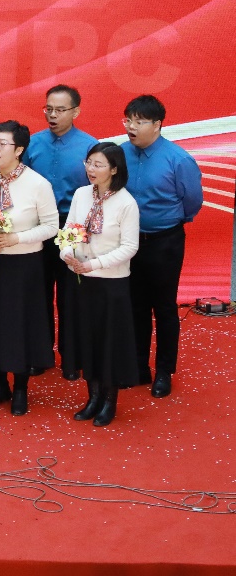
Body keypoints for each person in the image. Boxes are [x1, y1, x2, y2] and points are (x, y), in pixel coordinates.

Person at [0, 120, 59, 416]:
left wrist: (16, 238)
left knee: (17, 325)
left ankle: (20, 388)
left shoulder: (37, 184)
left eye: (2, 144)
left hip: (22, 265)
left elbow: (51, 226)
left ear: (18, 150)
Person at [122, 94, 203, 398]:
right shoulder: (120, 153)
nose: (131, 127)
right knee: (135, 305)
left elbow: (192, 201)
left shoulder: (178, 159)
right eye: (128, 120)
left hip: (164, 242)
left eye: (139, 121)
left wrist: (169, 221)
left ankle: (164, 372)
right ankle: (138, 366)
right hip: (129, 241)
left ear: (157, 125)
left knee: (164, 307)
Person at [62, 142, 140, 427]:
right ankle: (92, 397)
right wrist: (66, 253)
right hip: (81, 279)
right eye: (89, 163)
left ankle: (109, 400)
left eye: (99, 165)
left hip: (110, 283)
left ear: (114, 169)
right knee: (87, 339)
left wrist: (94, 264)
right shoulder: (81, 194)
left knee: (109, 343)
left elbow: (130, 247)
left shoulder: (126, 203)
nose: (91, 169)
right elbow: (69, 229)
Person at [22, 85, 96, 379]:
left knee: (71, 294)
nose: (52, 115)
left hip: (71, 224)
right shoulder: (32, 144)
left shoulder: (90, 147)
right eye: (48, 109)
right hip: (38, 225)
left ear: (76, 111)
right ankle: (40, 355)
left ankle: (71, 357)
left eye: (60, 110)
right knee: (37, 292)